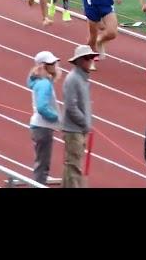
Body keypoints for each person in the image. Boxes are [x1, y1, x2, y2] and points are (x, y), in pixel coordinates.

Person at [61, 45, 98, 188]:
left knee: (72, 165)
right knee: (74, 166)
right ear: (79, 60)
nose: (91, 61)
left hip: (79, 130)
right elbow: (71, 106)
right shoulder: (73, 79)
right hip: (74, 130)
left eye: (92, 58)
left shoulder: (82, 78)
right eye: (88, 58)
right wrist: (84, 123)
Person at [28, 50, 62, 184]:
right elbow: (42, 107)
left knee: (41, 163)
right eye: (51, 63)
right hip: (43, 127)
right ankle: (39, 184)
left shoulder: (40, 81)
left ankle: (39, 182)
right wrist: (55, 117)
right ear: (43, 65)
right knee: (42, 165)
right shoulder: (44, 84)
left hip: (40, 127)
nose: (55, 64)